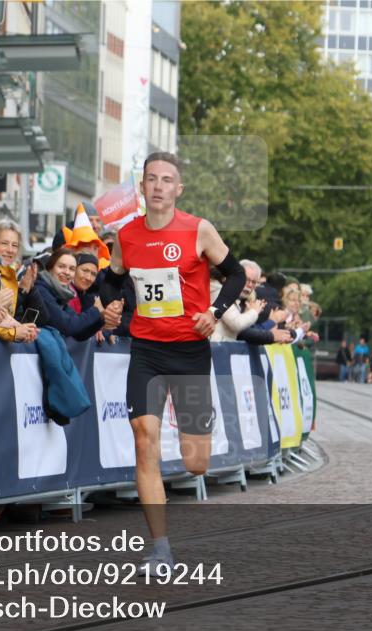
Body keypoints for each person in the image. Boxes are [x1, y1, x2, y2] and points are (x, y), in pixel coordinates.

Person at [99, 152, 246, 576]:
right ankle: (160, 549)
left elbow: (235, 275)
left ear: (178, 189)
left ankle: (200, 422)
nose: (159, 185)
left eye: (167, 179)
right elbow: (114, 278)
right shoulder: (126, 235)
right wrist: (110, 305)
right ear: (142, 187)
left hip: (190, 350)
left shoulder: (198, 230)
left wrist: (214, 312)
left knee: (196, 461)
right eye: (151, 179)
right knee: (144, 440)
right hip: (146, 349)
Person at [34, 248, 119, 340]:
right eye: (61, 266)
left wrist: (102, 318)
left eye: (71, 269)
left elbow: (79, 335)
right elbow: (67, 326)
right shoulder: (41, 290)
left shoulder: (62, 295)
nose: (67, 272)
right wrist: (96, 310)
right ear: (50, 267)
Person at [208, 265, 263, 342]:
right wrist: (254, 311)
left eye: (254, 282)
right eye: (246, 279)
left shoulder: (222, 291)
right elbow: (237, 323)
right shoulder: (219, 292)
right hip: (218, 347)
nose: (249, 285)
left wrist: (247, 313)